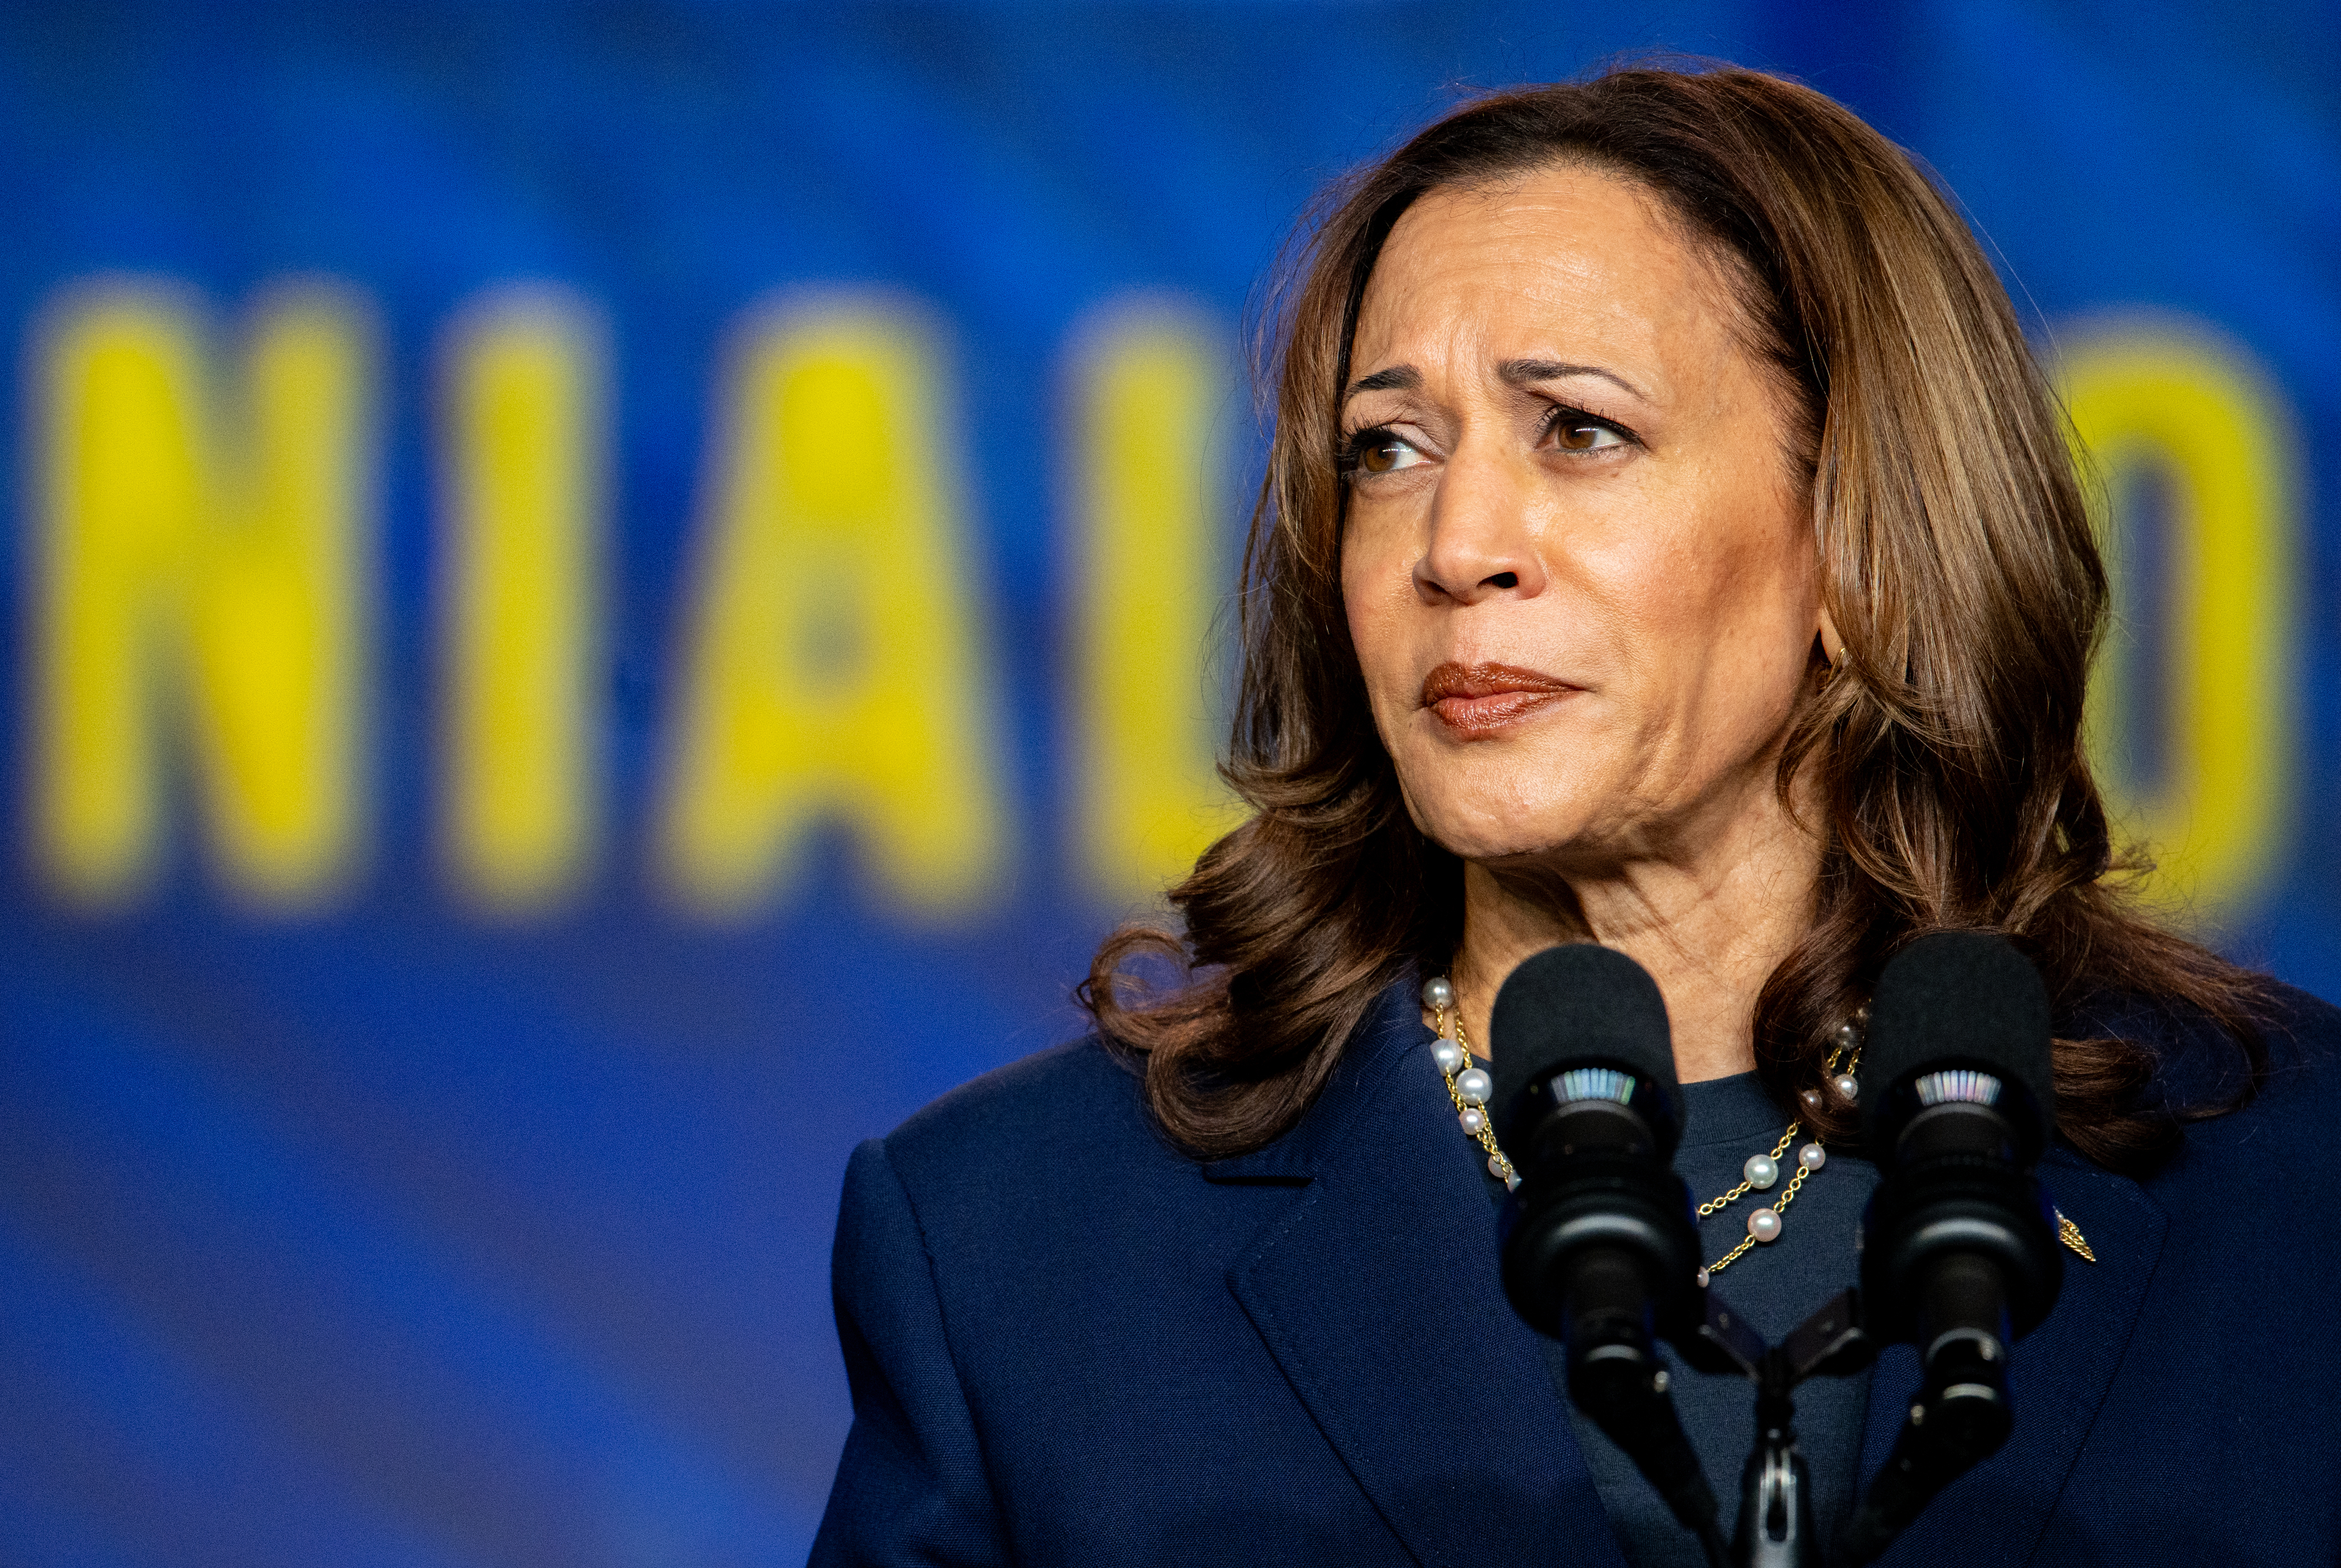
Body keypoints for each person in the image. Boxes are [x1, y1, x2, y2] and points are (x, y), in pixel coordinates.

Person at [807, 64, 2340, 1567]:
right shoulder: (1017, 1249)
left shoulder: (2296, 1186)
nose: (1455, 542)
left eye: (1580, 431)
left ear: (1862, 535)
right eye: (1386, 449)